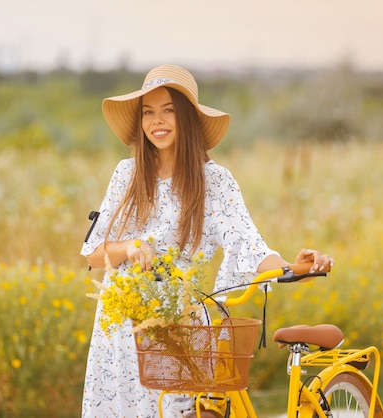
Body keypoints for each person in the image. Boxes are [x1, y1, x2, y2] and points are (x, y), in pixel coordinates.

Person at [80, 64, 334, 418]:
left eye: (169, 110)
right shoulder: (127, 174)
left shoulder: (214, 182)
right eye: (148, 112)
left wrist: (295, 268)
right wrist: (129, 247)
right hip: (119, 328)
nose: (158, 121)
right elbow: (93, 253)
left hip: (178, 322)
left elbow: (247, 243)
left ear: (187, 118)